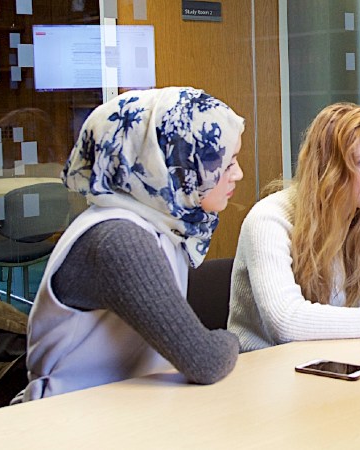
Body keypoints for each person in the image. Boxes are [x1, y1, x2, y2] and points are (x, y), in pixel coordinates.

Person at [23, 87, 243, 400]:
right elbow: (204, 360)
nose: (238, 174)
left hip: (124, 410)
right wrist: (235, 339)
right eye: (226, 162)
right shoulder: (120, 240)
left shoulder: (161, 223)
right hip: (69, 422)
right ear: (172, 164)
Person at [227, 102, 360, 352]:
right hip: (263, 371)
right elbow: (285, 322)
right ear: (330, 167)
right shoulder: (268, 219)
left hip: (329, 361)